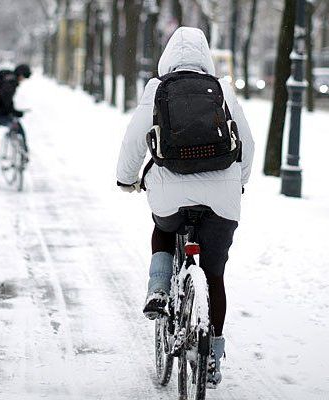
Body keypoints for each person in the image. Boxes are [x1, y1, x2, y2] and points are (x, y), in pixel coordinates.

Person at [116, 27, 254, 386]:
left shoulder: (157, 90)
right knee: (215, 274)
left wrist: (126, 178)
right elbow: (248, 143)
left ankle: (159, 289)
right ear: (206, 55)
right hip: (222, 198)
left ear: (167, 57)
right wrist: (238, 182)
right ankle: (212, 359)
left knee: (163, 230)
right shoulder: (221, 89)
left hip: (170, 193)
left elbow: (133, 141)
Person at [0, 64, 31, 187]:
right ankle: (24, 153)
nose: (23, 80)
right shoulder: (11, 82)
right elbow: (6, 101)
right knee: (18, 128)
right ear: (20, 75)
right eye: (24, 78)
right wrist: (15, 112)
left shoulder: (1, 78)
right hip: (2, 117)